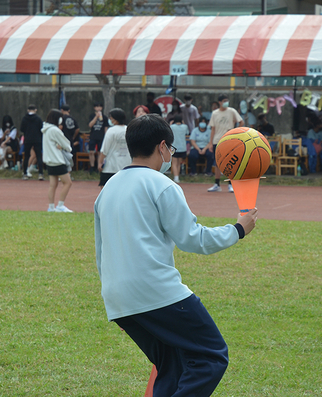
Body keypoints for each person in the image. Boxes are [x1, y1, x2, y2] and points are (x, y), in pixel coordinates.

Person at [94, 113, 258, 396]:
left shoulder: (108, 189)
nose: (171, 155)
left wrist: (120, 304)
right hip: (156, 292)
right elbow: (193, 239)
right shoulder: (162, 185)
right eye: (171, 149)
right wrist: (238, 230)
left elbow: (101, 251)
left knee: (172, 366)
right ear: (162, 147)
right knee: (211, 355)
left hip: (118, 296)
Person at [207, 94, 244, 192]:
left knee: (230, 162)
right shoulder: (215, 113)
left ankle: (230, 184)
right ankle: (217, 184)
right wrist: (210, 143)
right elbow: (213, 128)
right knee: (218, 163)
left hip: (229, 140)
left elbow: (241, 122)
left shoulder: (231, 111)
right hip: (217, 140)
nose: (226, 102)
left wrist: (234, 131)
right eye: (224, 101)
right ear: (219, 102)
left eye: (227, 100)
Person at [42, 109, 73, 213]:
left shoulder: (45, 129)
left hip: (49, 161)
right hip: (57, 160)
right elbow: (67, 145)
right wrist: (63, 147)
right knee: (68, 182)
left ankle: (51, 207)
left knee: (53, 185)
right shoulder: (55, 130)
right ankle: (60, 205)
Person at [98, 108, 130, 187]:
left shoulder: (111, 131)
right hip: (126, 166)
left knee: (105, 189)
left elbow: (104, 150)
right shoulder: (129, 130)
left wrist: (100, 162)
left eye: (111, 118)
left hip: (110, 167)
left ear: (115, 119)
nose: (110, 119)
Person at [20, 104, 44, 181]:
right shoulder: (38, 118)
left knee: (26, 156)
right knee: (39, 156)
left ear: (28, 110)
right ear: (35, 110)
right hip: (37, 139)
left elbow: (21, 129)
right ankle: (41, 174)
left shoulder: (24, 118)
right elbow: (42, 129)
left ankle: (25, 173)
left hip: (28, 139)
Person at [88, 102, 107, 174]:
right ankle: (92, 167)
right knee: (91, 152)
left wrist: (106, 136)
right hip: (93, 136)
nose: (98, 108)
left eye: (100, 107)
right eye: (97, 107)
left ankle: (98, 167)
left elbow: (105, 127)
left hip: (101, 136)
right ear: (94, 108)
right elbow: (90, 125)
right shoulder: (92, 116)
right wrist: (96, 117)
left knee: (100, 152)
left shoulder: (104, 117)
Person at [170, 114, 188, 183]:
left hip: (174, 147)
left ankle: (176, 177)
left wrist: (171, 123)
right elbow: (187, 132)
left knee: (174, 163)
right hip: (182, 147)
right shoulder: (185, 126)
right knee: (179, 163)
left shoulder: (172, 127)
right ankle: (177, 176)